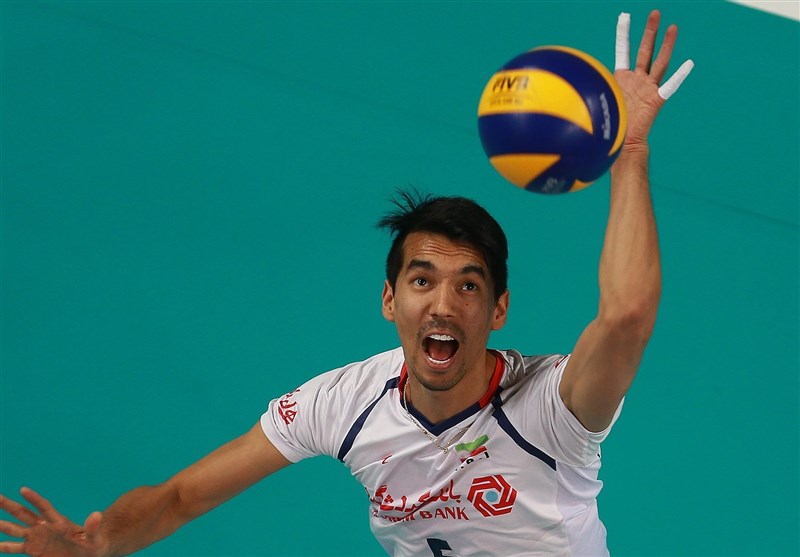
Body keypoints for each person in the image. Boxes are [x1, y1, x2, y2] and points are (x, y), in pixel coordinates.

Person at [0, 9, 693, 557]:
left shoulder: (553, 410)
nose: (443, 304)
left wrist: (629, 149)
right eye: (421, 280)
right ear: (389, 299)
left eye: (468, 286)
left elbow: (627, 315)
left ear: (499, 310)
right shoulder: (345, 403)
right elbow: (182, 497)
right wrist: (99, 544)